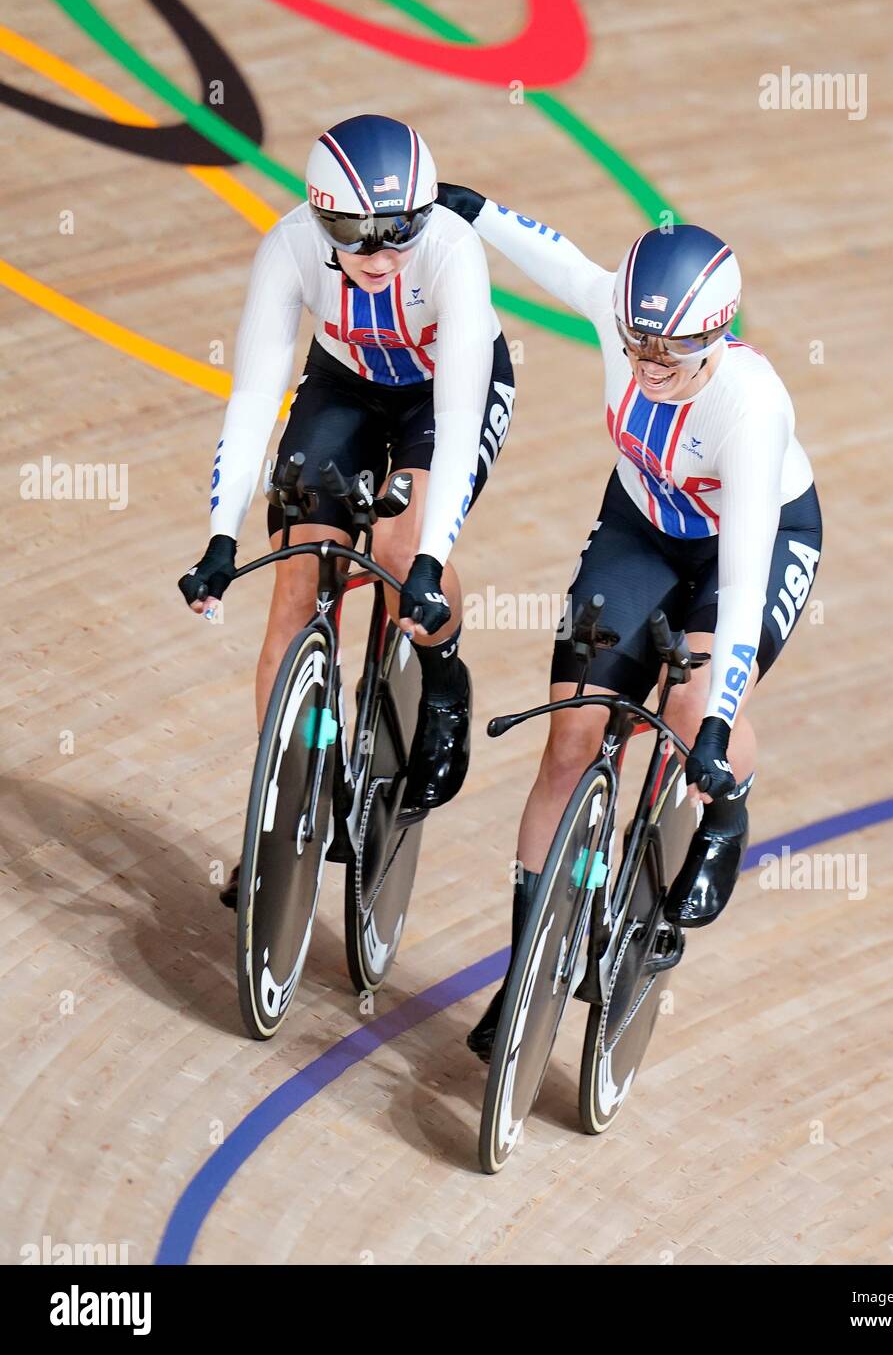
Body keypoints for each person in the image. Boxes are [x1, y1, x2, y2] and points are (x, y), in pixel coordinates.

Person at [434, 186, 822, 1062]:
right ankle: (526, 971)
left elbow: (744, 564)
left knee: (688, 716)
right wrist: (476, 209)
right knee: (570, 735)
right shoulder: (624, 322)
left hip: (747, 544)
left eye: (669, 351)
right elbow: (559, 258)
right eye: (636, 341)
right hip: (642, 526)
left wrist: (716, 722)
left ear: (715, 335)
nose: (645, 362)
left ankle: (726, 809)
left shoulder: (749, 412)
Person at [178, 117, 515, 908]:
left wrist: (428, 560)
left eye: (400, 234)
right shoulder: (289, 245)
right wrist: (221, 536)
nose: (382, 256)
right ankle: (279, 815)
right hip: (346, 385)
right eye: (357, 239)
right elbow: (257, 392)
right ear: (322, 222)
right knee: (298, 580)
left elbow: (462, 413)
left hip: (444, 395)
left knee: (399, 553)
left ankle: (441, 680)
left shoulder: (451, 249)